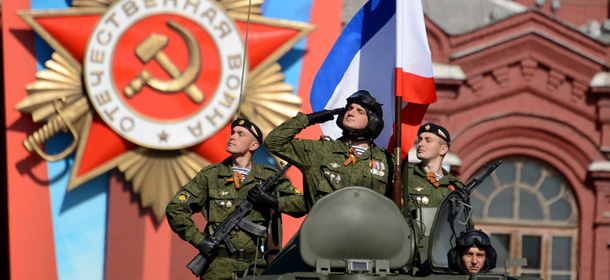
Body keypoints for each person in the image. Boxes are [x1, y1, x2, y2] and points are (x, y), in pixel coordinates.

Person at [166, 118, 306, 280]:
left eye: (240, 134)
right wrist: (199, 240)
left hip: (254, 267)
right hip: (217, 267)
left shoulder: (268, 177)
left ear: (253, 145)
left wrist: (272, 201)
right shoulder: (211, 175)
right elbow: (176, 208)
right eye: (232, 132)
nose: (232, 136)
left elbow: (302, 204)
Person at [265, 90, 394, 209]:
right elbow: (274, 142)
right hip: (323, 231)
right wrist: (309, 119)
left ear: (373, 122)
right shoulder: (319, 150)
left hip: (368, 232)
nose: (350, 112)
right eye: (350, 108)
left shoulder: (388, 162)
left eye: (360, 111)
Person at [403, 123, 466, 273]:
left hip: (444, 259)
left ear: (443, 149)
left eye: (428, 140)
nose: (421, 143)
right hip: (410, 258)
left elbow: (464, 224)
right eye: (420, 139)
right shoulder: (405, 176)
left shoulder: (455, 187)